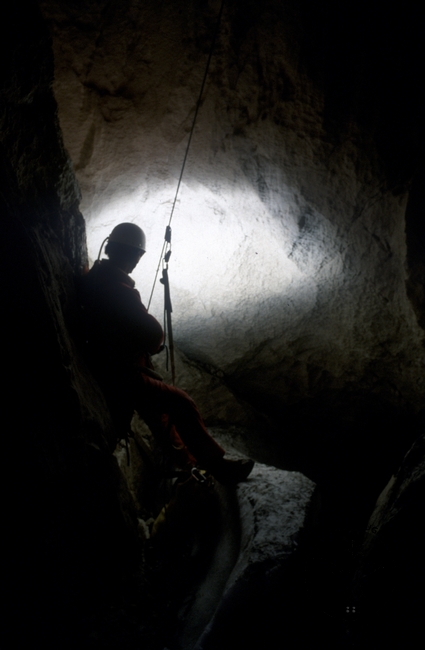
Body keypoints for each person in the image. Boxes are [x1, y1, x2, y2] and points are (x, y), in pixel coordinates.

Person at [79, 222, 254, 485]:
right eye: (136, 256)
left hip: (107, 368)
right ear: (130, 254)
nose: (136, 262)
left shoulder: (95, 277)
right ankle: (218, 467)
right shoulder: (118, 289)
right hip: (121, 375)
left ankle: (189, 466)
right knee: (181, 403)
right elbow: (153, 335)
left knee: (160, 416)